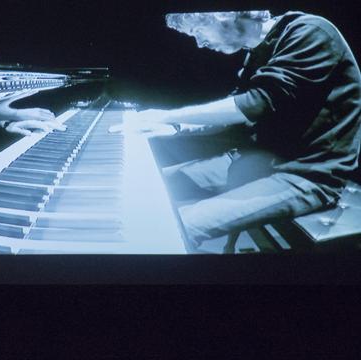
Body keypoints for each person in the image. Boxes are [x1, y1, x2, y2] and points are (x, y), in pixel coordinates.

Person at [118, 10, 361, 248]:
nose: (200, 43)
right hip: (258, 161)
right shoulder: (256, 53)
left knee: (171, 226)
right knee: (136, 185)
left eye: (198, 31)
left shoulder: (311, 31)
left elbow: (257, 102)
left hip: (308, 174)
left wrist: (165, 116)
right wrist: (176, 127)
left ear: (224, 15)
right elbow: (239, 115)